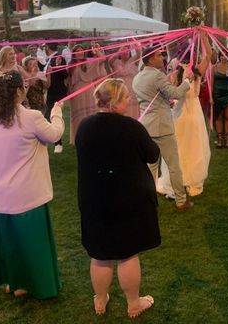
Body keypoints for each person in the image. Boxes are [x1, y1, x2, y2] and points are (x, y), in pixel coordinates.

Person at [76, 79, 160, 318]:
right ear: (114, 102)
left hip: (95, 199)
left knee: (100, 253)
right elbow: (152, 154)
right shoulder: (132, 127)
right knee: (127, 253)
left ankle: (100, 300)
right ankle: (133, 302)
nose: (129, 100)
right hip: (128, 200)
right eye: (125, 98)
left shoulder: (84, 126)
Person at [0, 70, 64, 298]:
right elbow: (55, 135)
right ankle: (33, 283)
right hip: (26, 192)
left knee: (10, 242)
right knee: (31, 242)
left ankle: (13, 282)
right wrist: (57, 113)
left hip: (0, 191)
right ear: (18, 91)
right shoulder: (32, 117)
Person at [133, 46, 194, 211]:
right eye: (159, 56)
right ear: (150, 59)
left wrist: (165, 103)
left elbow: (152, 98)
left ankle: (149, 201)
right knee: (173, 165)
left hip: (146, 126)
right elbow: (175, 93)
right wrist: (187, 81)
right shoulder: (157, 75)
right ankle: (181, 201)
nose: (162, 58)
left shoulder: (137, 77)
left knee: (150, 167)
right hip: (162, 127)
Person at [173, 31, 213, 196]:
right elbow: (210, 54)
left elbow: (173, 94)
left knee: (180, 146)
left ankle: (179, 179)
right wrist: (203, 36)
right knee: (195, 147)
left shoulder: (174, 73)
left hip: (179, 113)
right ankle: (192, 181)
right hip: (194, 112)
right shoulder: (197, 71)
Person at [67, 43, 107, 144]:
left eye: (81, 51)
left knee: (90, 114)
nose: (80, 53)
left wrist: (95, 49)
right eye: (77, 51)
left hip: (89, 90)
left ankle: (93, 135)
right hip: (77, 92)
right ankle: (79, 137)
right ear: (74, 54)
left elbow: (102, 58)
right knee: (79, 115)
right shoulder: (70, 65)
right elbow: (69, 80)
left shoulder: (89, 62)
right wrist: (70, 92)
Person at [44, 43, 68, 153]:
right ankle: (51, 140)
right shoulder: (47, 59)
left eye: (45, 47)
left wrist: (58, 66)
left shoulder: (59, 57)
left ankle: (58, 143)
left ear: (47, 47)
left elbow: (65, 75)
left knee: (53, 115)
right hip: (49, 91)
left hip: (57, 92)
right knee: (48, 116)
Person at [212, 49, 228, 148]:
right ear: (219, 56)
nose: (224, 57)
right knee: (218, 117)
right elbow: (211, 83)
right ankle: (219, 137)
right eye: (222, 55)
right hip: (217, 95)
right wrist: (211, 97)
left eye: (226, 55)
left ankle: (227, 138)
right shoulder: (214, 68)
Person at [108, 45, 141, 119]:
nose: (126, 52)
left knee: (133, 115)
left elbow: (139, 53)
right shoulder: (115, 63)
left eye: (128, 51)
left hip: (132, 94)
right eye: (124, 51)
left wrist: (134, 43)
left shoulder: (134, 61)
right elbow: (109, 61)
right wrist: (119, 50)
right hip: (119, 92)